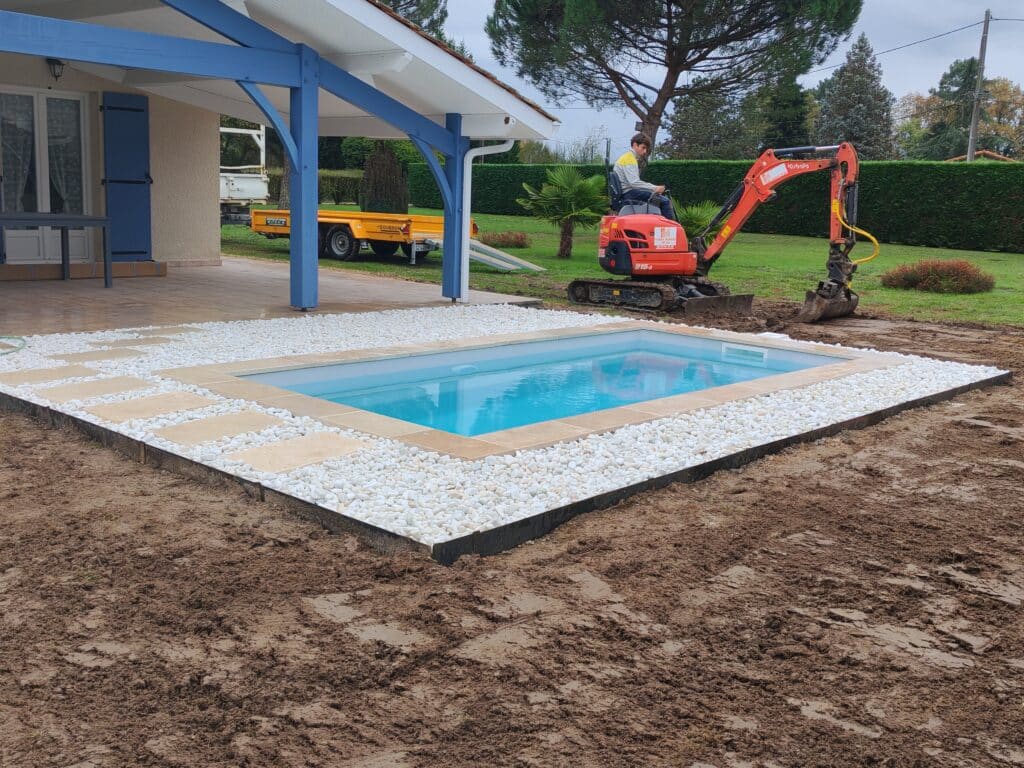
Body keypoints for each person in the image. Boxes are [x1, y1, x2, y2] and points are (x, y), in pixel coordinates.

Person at [613, 133, 676, 221]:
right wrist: (654, 188)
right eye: (643, 147)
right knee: (665, 201)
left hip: (627, 193)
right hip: (629, 193)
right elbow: (634, 182)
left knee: (657, 199)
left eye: (646, 148)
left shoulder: (626, 158)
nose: (645, 151)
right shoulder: (629, 159)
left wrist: (651, 189)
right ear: (635, 145)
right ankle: (670, 231)